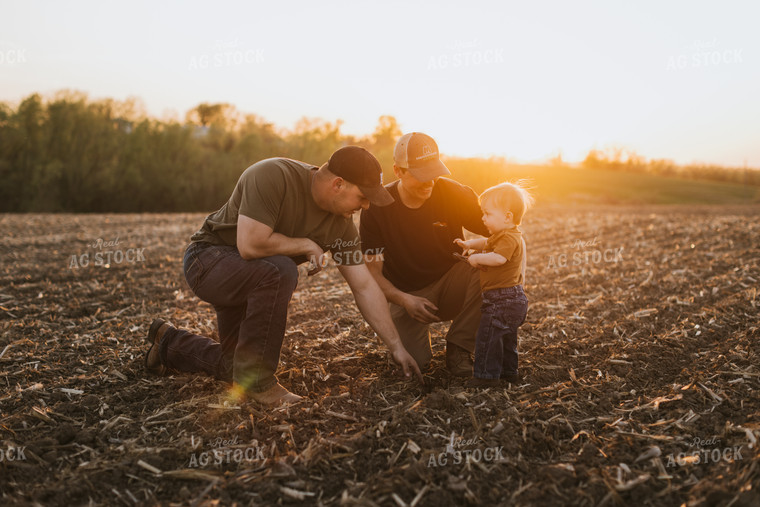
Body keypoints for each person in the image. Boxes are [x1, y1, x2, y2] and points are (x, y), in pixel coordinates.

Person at [144, 146, 423, 406]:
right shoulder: (272, 175)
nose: (366, 207)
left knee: (237, 368)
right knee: (281, 270)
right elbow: (250, 244)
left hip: (251, 278)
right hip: (208, 262)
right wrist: (305, 244)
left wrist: (396, 346)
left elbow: (363, 285)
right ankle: (262, 384)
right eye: (363, 197)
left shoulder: (341, 227)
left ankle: (168, 341)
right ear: (338, 184)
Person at [359, 133, 489, 376]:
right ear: (398, 171)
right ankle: (416, 338)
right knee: (413, 364)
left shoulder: (454, 193)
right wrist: (404, 299)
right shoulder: (377, 208)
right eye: (421, 175)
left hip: (452, 282)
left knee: (490, 268)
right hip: (407, 295)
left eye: (434, 172)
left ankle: (459, 349)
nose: (430, 182)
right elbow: (373, 274)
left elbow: (502, 232)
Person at [454, 181, 533, 387]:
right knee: (506, 339)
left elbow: (498, 258)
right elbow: (486, 243)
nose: (483, 218)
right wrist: (470, 244)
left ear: (507, 217)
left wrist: (476, 259)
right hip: (510, 299)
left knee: (487, 338)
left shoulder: (508, 238)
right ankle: (509, 372)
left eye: (488, 214)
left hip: (502, 299)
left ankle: (485, 377)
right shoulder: (502, 235)